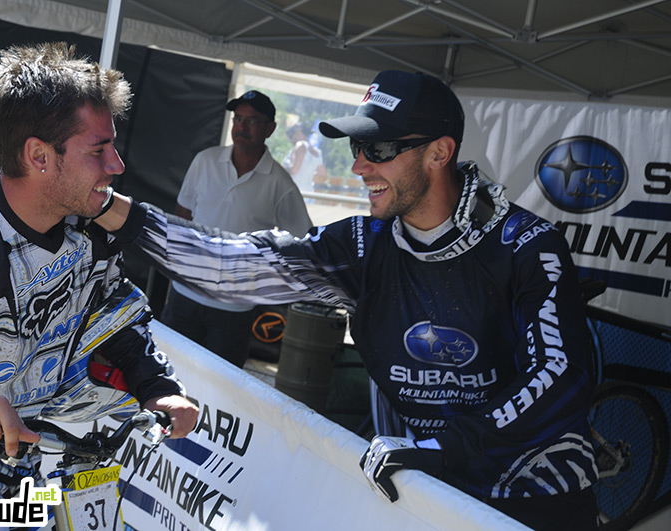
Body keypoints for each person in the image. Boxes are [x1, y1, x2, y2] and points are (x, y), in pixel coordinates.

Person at [96, 70, 598, 530]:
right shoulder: (363, 245)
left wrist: (447, 448)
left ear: (439, 153)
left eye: (376, 148)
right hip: (421, 493)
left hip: (530, 499)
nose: (358, 166)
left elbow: (562, 376)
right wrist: (107, 206)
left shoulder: (525, 246)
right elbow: (232, 267)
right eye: (357, 146)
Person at [0, 42, 198, 508]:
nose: (117, 166)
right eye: (99, 150)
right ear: (39, 156)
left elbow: (113, 316)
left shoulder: (90, 227)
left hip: (35, 474)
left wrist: (158, 388)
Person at [160, 90, 312, 367]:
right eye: (238, 119)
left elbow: (303, 242)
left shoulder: (280, 183)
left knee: (220, 391)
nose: (241, 127)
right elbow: (182, 215)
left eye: (251, 121)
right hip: (184, 296)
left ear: (270, 129)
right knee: (168, 373)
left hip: (234, 309)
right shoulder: (205, 160)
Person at [284, 121, 326, 194]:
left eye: (293, 135)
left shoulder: (300, 145)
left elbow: (294, 170)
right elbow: (322, 174)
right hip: (309, 191)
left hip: (295, 191)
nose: (292, 138)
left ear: (298, 133)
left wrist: (280, 169)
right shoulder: (317, 153)